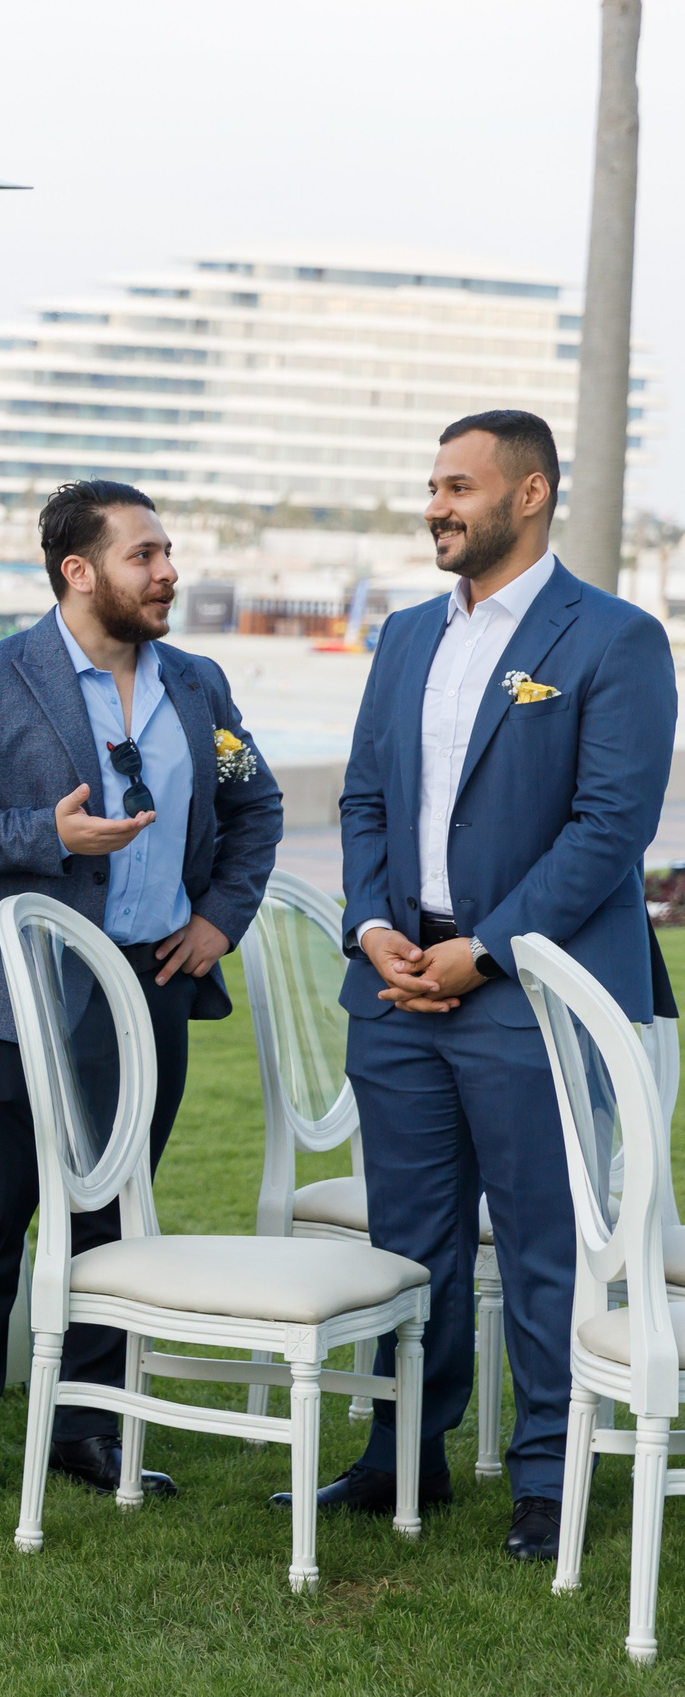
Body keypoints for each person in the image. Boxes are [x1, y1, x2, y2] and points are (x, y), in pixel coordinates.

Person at [310, 410, 674, 1561]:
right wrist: (372, 927)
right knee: (408, 1241)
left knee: (540, 1238)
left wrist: (491, 949)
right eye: (431, 485)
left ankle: (543, 1477)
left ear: (529, 496)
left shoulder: (613, 639)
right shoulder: (407, 633)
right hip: (399, 980)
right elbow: (364, 798)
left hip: (538, 990)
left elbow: (610, 827)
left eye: (457, 486)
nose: (435, 505)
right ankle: (398, 1456)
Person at [0, 479, 282, 1508]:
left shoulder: (197, 685)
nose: (167, 573)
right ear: (78, 571)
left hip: (147, 990)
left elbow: (256, 808)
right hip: (8, 998)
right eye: (143, 556)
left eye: (166, 554)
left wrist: (218, 921)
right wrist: (46, 837)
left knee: (115, 1222)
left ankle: (86, 1428)